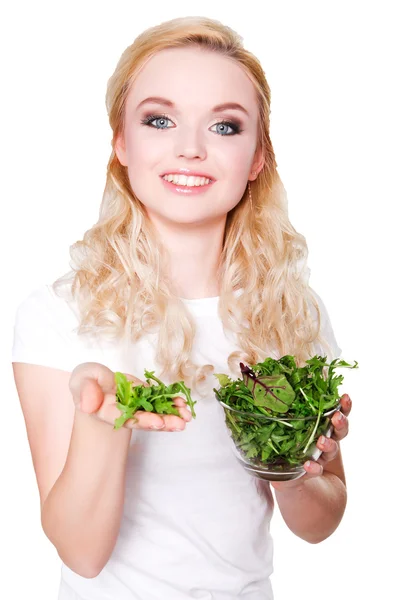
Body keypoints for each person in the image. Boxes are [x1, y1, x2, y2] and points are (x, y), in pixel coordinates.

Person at [11, 15, 351, 600]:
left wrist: (291, 466)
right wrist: (102, 420)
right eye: (160, 119)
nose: (191, 148)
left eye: (224, 125)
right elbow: (82, 556)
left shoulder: (292, 312)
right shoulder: (58, 314)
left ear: (257, 158)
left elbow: (321, 521)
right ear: (121, 141)